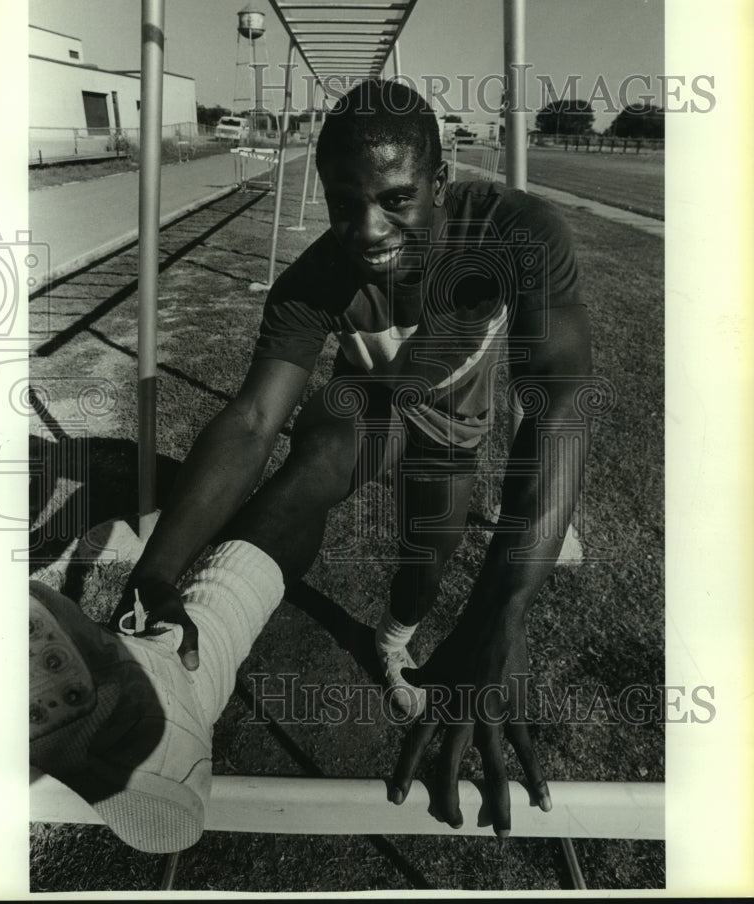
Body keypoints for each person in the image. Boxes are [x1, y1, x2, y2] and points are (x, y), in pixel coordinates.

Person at [29, 79, 592, 854]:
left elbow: (557, 409)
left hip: (456, 433)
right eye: (343, 204)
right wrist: (155, 580)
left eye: (396, 200)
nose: (366, 229)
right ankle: (177, 669)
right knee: (316, 457)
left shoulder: (516, 234)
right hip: (368, 406)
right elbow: (254, 420)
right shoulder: (314, 280)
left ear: (441, 177)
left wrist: (502, 612)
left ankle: (392, 641)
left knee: (425, 570)